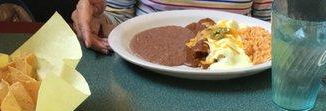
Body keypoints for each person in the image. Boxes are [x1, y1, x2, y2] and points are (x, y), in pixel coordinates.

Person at [72, 0, 273, 54]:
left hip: (241, 80)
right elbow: (115, 21)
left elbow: (271, 27)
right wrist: (94, 22)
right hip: (146, 77)